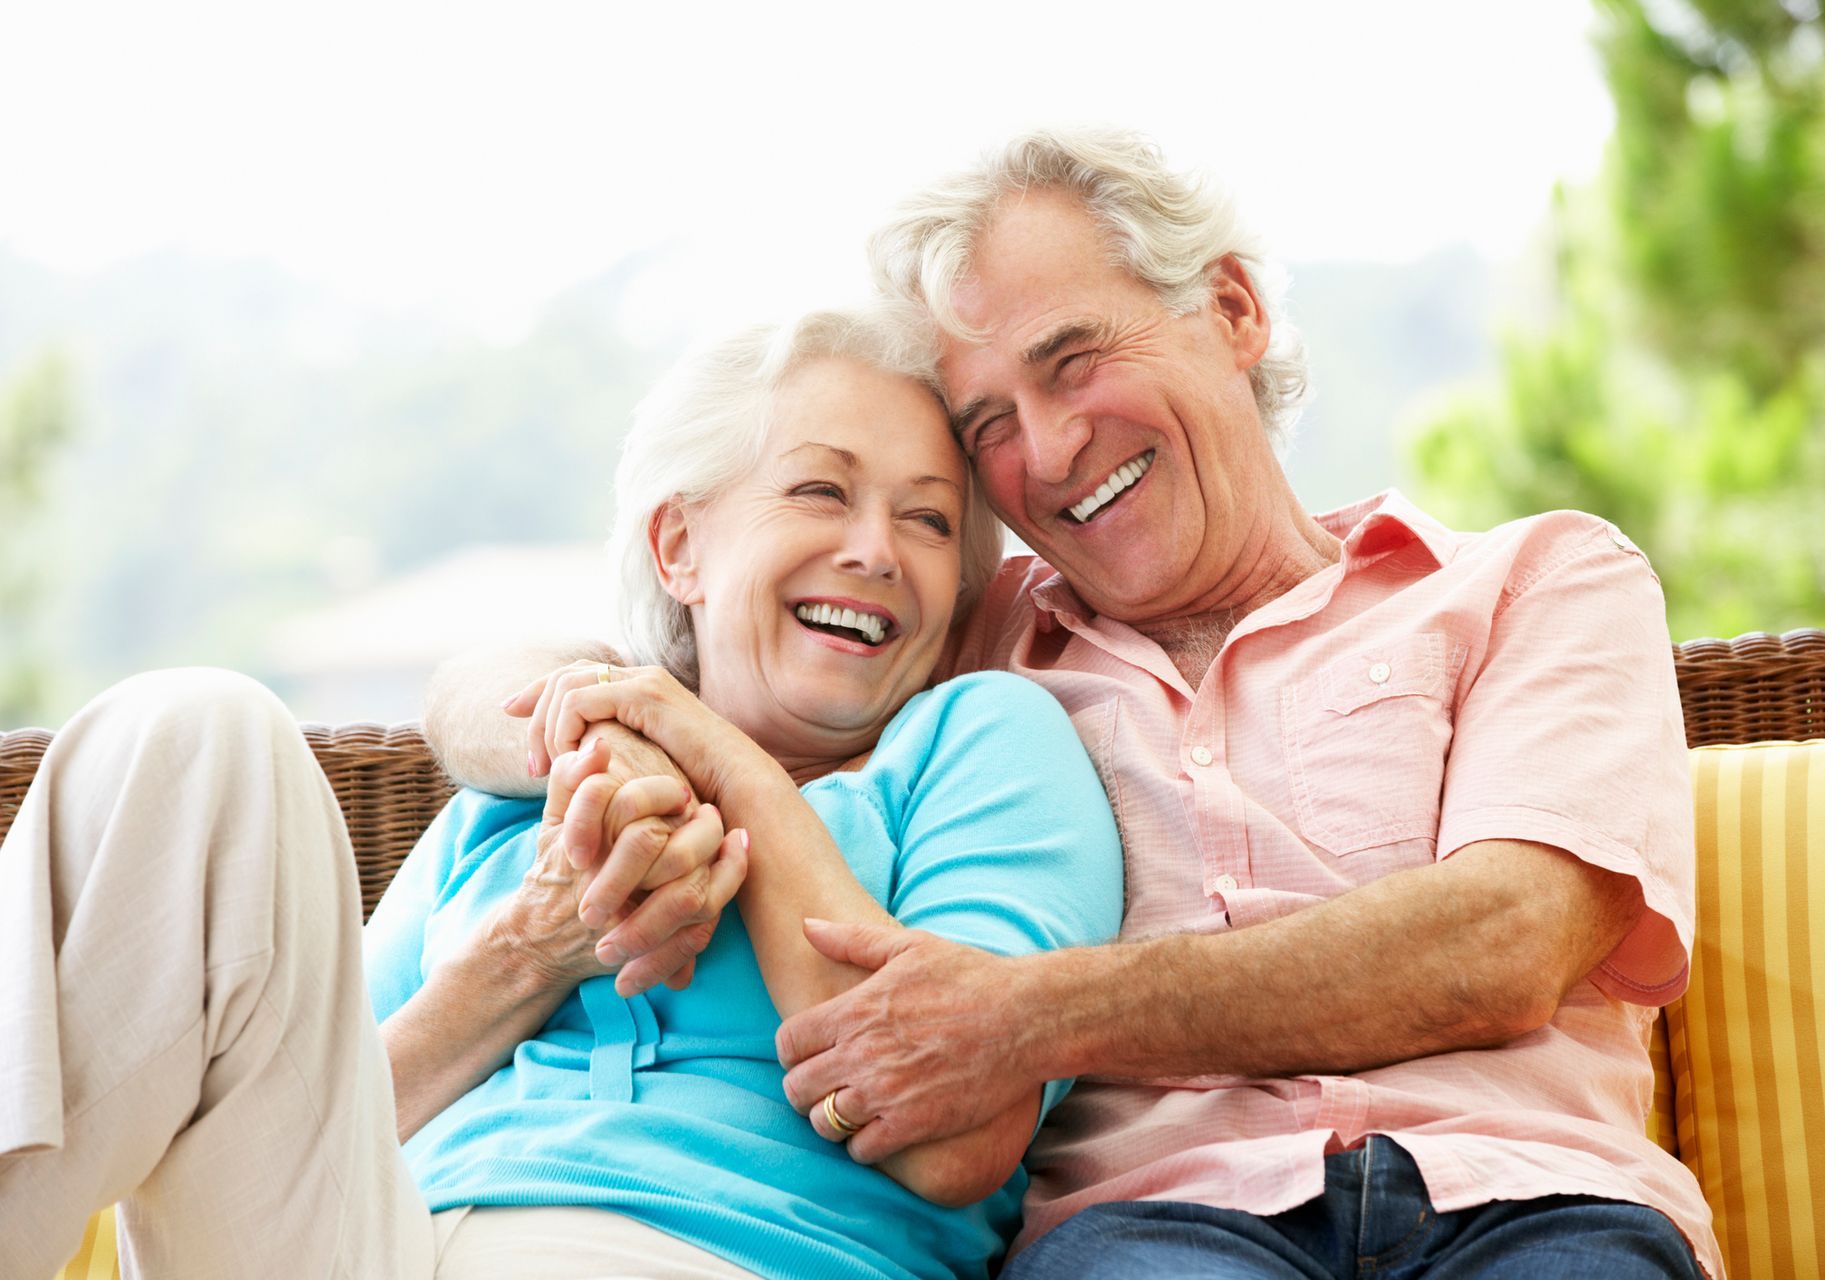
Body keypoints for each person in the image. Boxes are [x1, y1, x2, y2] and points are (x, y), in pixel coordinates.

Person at [433, 130, 1722, 1279]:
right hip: (1160, 1227)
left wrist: (1025, 1014)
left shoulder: (1537, 580)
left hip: (1528, 1199)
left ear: (1229, 309)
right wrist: (595, 728)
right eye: (991, 419)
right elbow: (604, 659)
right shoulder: (976, 635)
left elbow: (1503, 941)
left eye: (1074, 361)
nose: (1047, 452)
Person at [0, 306, 1123, 1280]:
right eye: (822, 490)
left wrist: (718, 765)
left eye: (928, 520)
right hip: (370, 1241)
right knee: (192, 729)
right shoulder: (533, 788)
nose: (877, 549)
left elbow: (952, 1139)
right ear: (680, 545)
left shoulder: (979, 742)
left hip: (717, 1251)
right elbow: (311, 1122)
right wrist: (532, 949)